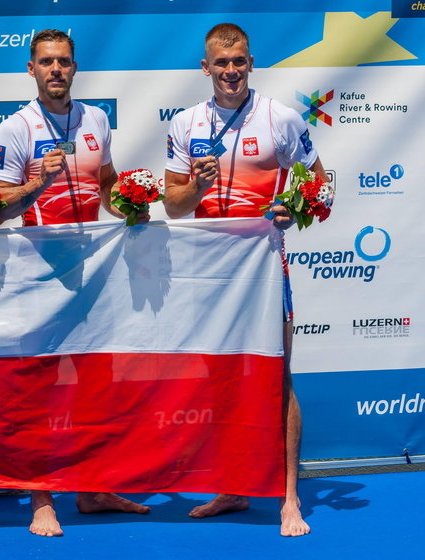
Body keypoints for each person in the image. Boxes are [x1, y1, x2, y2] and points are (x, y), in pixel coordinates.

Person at [163, 22, 327, 537]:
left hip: (263, 270)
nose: (230, 72)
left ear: (250, 63)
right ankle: (232, 487)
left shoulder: (280, 117)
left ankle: (288, 497)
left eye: (238, 62)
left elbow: (321, 184)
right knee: (220, 383)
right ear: (205, 68)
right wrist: (197, 186)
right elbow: (172, 205)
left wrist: (291, 211)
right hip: (208, 275)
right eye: (220, 63)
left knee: (278, 380)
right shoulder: (185, 124)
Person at [0, 28, 151, 537]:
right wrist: (39, 183)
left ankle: (95, 487)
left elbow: (106, 185)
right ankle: (40, 498)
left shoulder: (96, 119)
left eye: (64, 62)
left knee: (97, 386)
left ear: (74, 67)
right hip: (38, 272)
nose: (56, 70)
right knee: (40, 391)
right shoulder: (13, 130)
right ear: (31, 70)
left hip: (96, 272)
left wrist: (137, 202)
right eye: (46, 62)